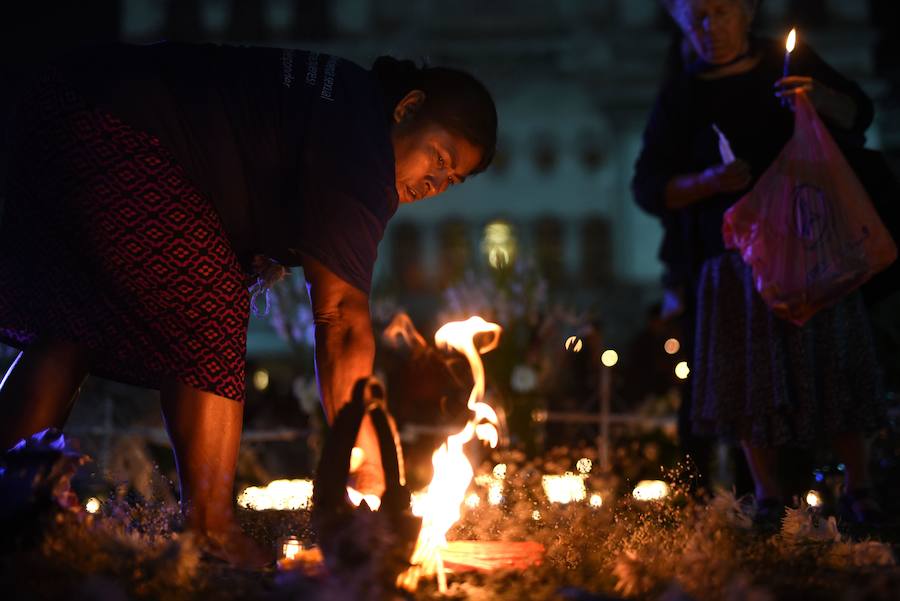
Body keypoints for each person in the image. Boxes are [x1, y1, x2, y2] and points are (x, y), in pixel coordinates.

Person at [0, 42, 497, 564]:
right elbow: (341, 318)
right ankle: (210, 531)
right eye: (439, 158)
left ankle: (13, 499)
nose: (435, 182)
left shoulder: (350, 107)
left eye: (450, 180)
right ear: (408, 107)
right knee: (211, 297)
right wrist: (368, 453)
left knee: (71, 329)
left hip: (64, 104)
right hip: (112, 127)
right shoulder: (362, 143)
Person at [633, 0, 885, 525]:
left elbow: (858, 114)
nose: (711, 27)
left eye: (721, 11)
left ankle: (859, 489)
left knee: (834, 366)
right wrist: (708, 182)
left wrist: (817, 100)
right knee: (752, 383)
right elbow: (649, 186)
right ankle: (770, 498)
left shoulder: (786, 63)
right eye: (697, 18)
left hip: (812, 248)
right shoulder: (683, 92)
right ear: (683, 25)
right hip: (736, 264)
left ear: (746, 13)